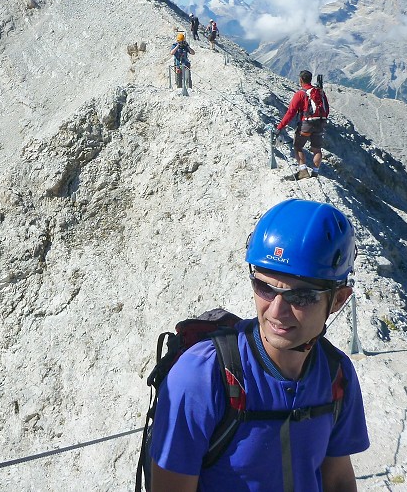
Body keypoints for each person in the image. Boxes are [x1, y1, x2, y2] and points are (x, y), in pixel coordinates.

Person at [149, 199, 369, 491]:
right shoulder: (201, 376)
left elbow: (338, 479)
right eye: (264, 287)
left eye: (301, 296)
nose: (276, 311)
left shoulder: (336, 374)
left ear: (339, 300)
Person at [277, 70, 329, 179]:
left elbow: (291, 112)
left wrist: (280, 127)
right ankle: (315, 173)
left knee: (298, 146)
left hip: (306, 123)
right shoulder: (320, 92)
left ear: (301, 80)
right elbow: (326, 109)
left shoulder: (300, 93)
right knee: (317, 150)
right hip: (320, 123)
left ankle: (303, 171)